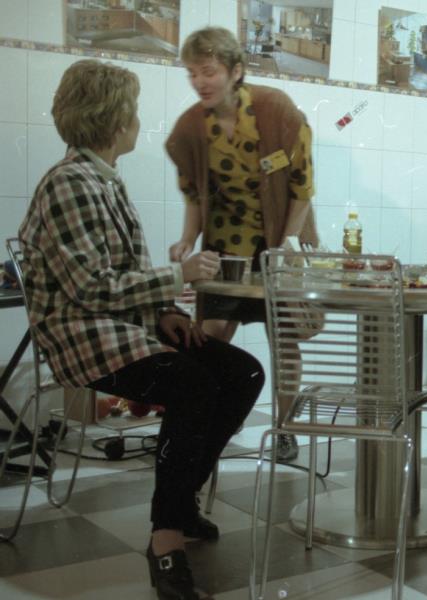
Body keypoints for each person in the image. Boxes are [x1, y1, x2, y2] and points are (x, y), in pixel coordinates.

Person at [19, 59, 263, 600]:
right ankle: (166, 537)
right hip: (81, 333)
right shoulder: (70, 183)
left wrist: (166, 312)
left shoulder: (103, 179)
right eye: (131, 110)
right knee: (192, 384)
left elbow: (121, 277)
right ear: (113, 120)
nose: (136, 120)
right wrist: (179, 275)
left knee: (243, 372)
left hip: (119, 323)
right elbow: (91, 288)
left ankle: (181, 498)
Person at [166, 27, 318, 462]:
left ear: (235, 71)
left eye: (209, 71)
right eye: (193, 73)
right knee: (210, 337)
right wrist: (187, 238)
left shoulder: (275, 111)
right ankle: (215, 420)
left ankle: (285, 429)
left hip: (278, 241)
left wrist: (286, 245)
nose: (200, 82)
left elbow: (302, 188)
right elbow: (195, 195)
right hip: (226, 252)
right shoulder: (192, 127)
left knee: (284, 341)